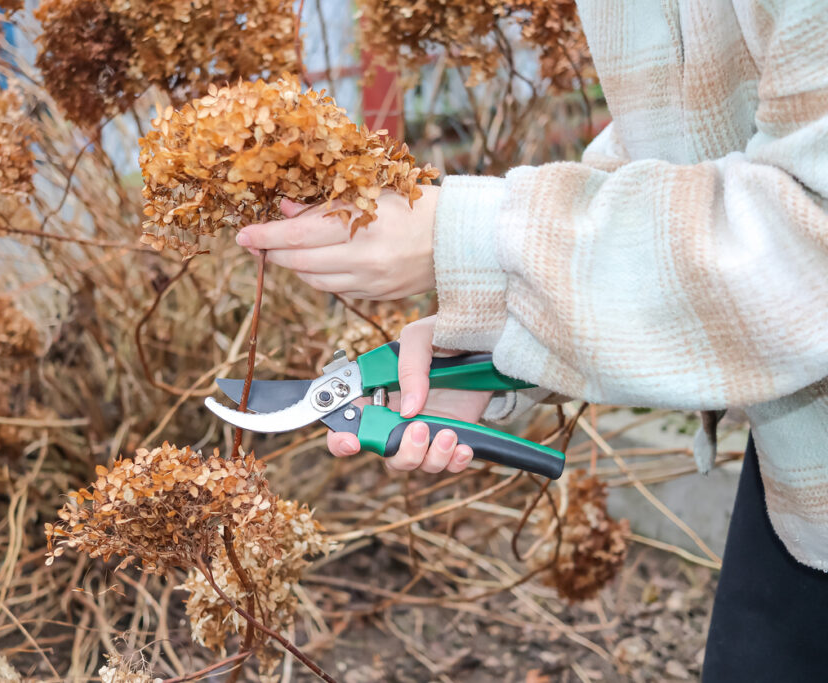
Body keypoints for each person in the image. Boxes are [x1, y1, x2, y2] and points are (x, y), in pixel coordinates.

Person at [234, 1, 828, 680]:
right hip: (802, 477)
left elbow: (815, 229)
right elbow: (675, 153)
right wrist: (500, 329)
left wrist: (467, 240)